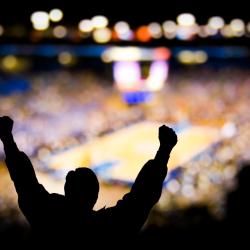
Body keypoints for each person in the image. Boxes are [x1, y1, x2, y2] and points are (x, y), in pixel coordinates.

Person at [0, 116, 177, 247]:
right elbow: (141, 199)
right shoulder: (108, 228)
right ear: (95, 195)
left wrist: (7, 139)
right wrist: (164, 151)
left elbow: (25, 181)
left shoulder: (46, 215)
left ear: (66, 189)